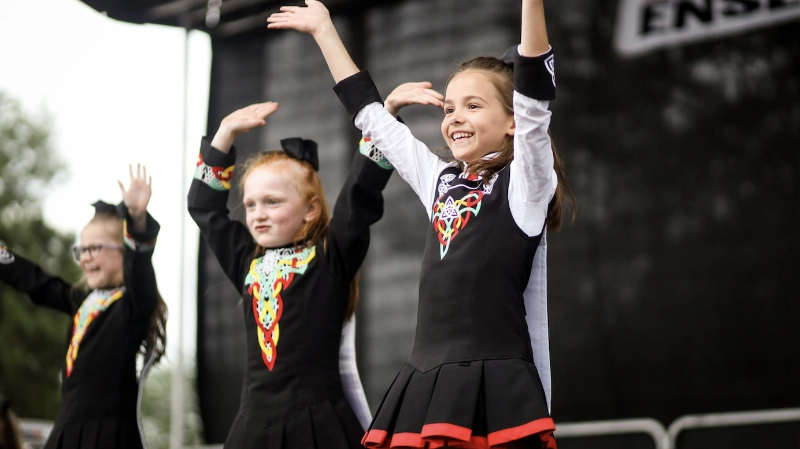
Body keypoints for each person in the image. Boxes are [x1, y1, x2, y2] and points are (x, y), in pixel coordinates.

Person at [268, 0, 576, 447]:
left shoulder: (526, 185)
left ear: (512, 121)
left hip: (493, 379)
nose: (455, 118)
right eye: (449, 109)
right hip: (426, 380)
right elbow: (373, 119)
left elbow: (534, 104)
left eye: (473, 105)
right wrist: (323, 31)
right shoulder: (440, 181)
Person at [187, 100, 397, 448]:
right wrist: (224, 134)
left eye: (272, 202)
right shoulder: (247, 262)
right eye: (251, 204)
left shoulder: (330, 256)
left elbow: (359, 196)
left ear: (311, 209)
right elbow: (204, 207)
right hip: (252, 428)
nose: (257, 214)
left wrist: (384, 117)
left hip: (317, 427)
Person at [0, 165, 167, 449]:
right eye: (82, 250)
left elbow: (140, 269)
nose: (85, 258)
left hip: (107, 435)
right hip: (67, 431)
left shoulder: (133, 304)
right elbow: (38, 284)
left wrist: (136, 219)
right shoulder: (84, 302)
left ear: (124, 251)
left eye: (95, 248)